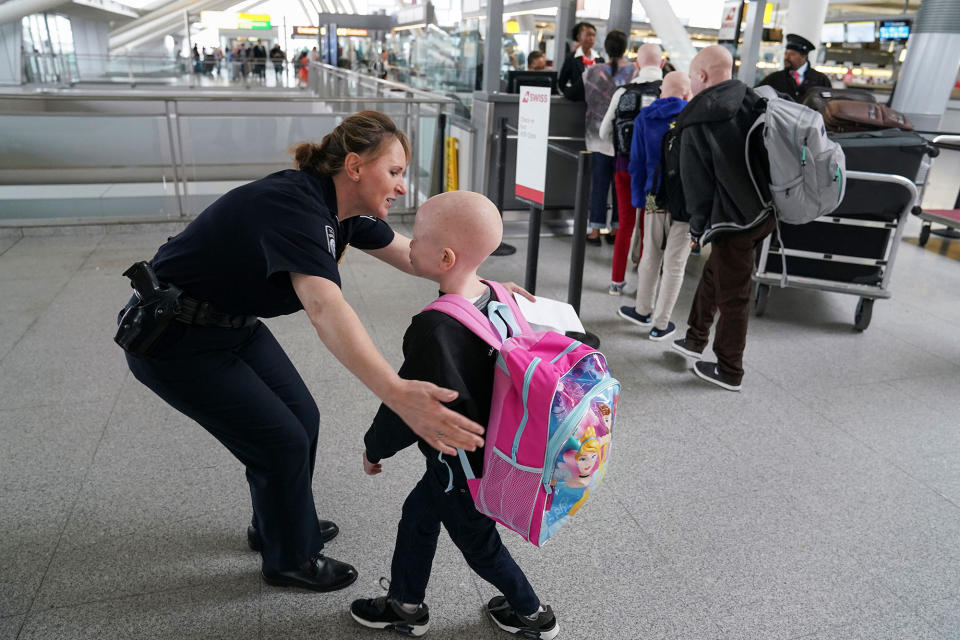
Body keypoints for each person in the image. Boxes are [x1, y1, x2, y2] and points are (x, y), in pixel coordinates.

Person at [117, 112, 531, 593]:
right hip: (176, 337)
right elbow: (324, 306)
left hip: (231, 324)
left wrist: (486, 287)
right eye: (394, 172)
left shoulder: (347, 212)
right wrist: (395, 391)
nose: (401, 186)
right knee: (280, 441)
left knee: (302, 418)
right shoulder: (294, 206)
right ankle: (289, 559)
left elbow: (419, 256)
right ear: (355, 166)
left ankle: (276, 524)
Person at [351, 191, 558, 640]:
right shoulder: (500, 294)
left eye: (417, 238)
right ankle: (405, 604)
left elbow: (409, 403)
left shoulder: (435, 328)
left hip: (460, 464)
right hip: (493, 449)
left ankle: (531, 612)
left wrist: (374, 447)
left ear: (445, 257)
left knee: (478, 544)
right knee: (418, 516)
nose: (408, 244)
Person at [670, 46, 776, 392]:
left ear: (700, 76)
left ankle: (730, 369)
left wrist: (697, 230)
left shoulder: (696, 118)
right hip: (764, 210)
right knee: (718, 271)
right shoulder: (750, 97)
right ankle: (695, 337)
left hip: (734, 220)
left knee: (735, 295)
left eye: (691, 74)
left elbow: (696, 186)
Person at [617, 70, 692, 341]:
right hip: (686, 203)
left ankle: (642, 309)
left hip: (653, 197)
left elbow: (636, 163)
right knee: (675, 264)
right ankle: (661, 324)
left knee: (650, 255)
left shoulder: (646, 118)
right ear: (687, 94)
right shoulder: (694, 117)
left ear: (662, 92)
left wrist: (640, 199)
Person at [599, 43, 664, 295]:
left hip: (625, 170)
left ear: (637, 65)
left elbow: (605, 131)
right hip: (655, 177)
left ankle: (617, 282)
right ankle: (646, 286)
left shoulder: (623, 91)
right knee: (649, 225)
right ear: (660, 64)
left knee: (625, 223)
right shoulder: (670, 91)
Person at [582, 30, 638, 247]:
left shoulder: (593, 71)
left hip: (597, 137)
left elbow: (583, 95)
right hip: (625, 140)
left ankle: (595, 230)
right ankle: (616, 228)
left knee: (599, 184)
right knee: (620, 186)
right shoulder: (634, 71)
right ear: (625, 47)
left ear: (606, 48)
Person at [756, 33, 831, 102]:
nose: (786, 57)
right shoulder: (774, 79)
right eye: (786, 54)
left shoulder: (821, 80)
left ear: (804, 56)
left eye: (792, 54)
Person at [557, 22, 603, 102]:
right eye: (588, 35)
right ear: (578, 37)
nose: (591, 38)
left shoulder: (599, 60)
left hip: (596, 103)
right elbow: (562, 83)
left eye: (593, 35)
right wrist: (571, 93)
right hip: (577, 103)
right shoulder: (571, 58)